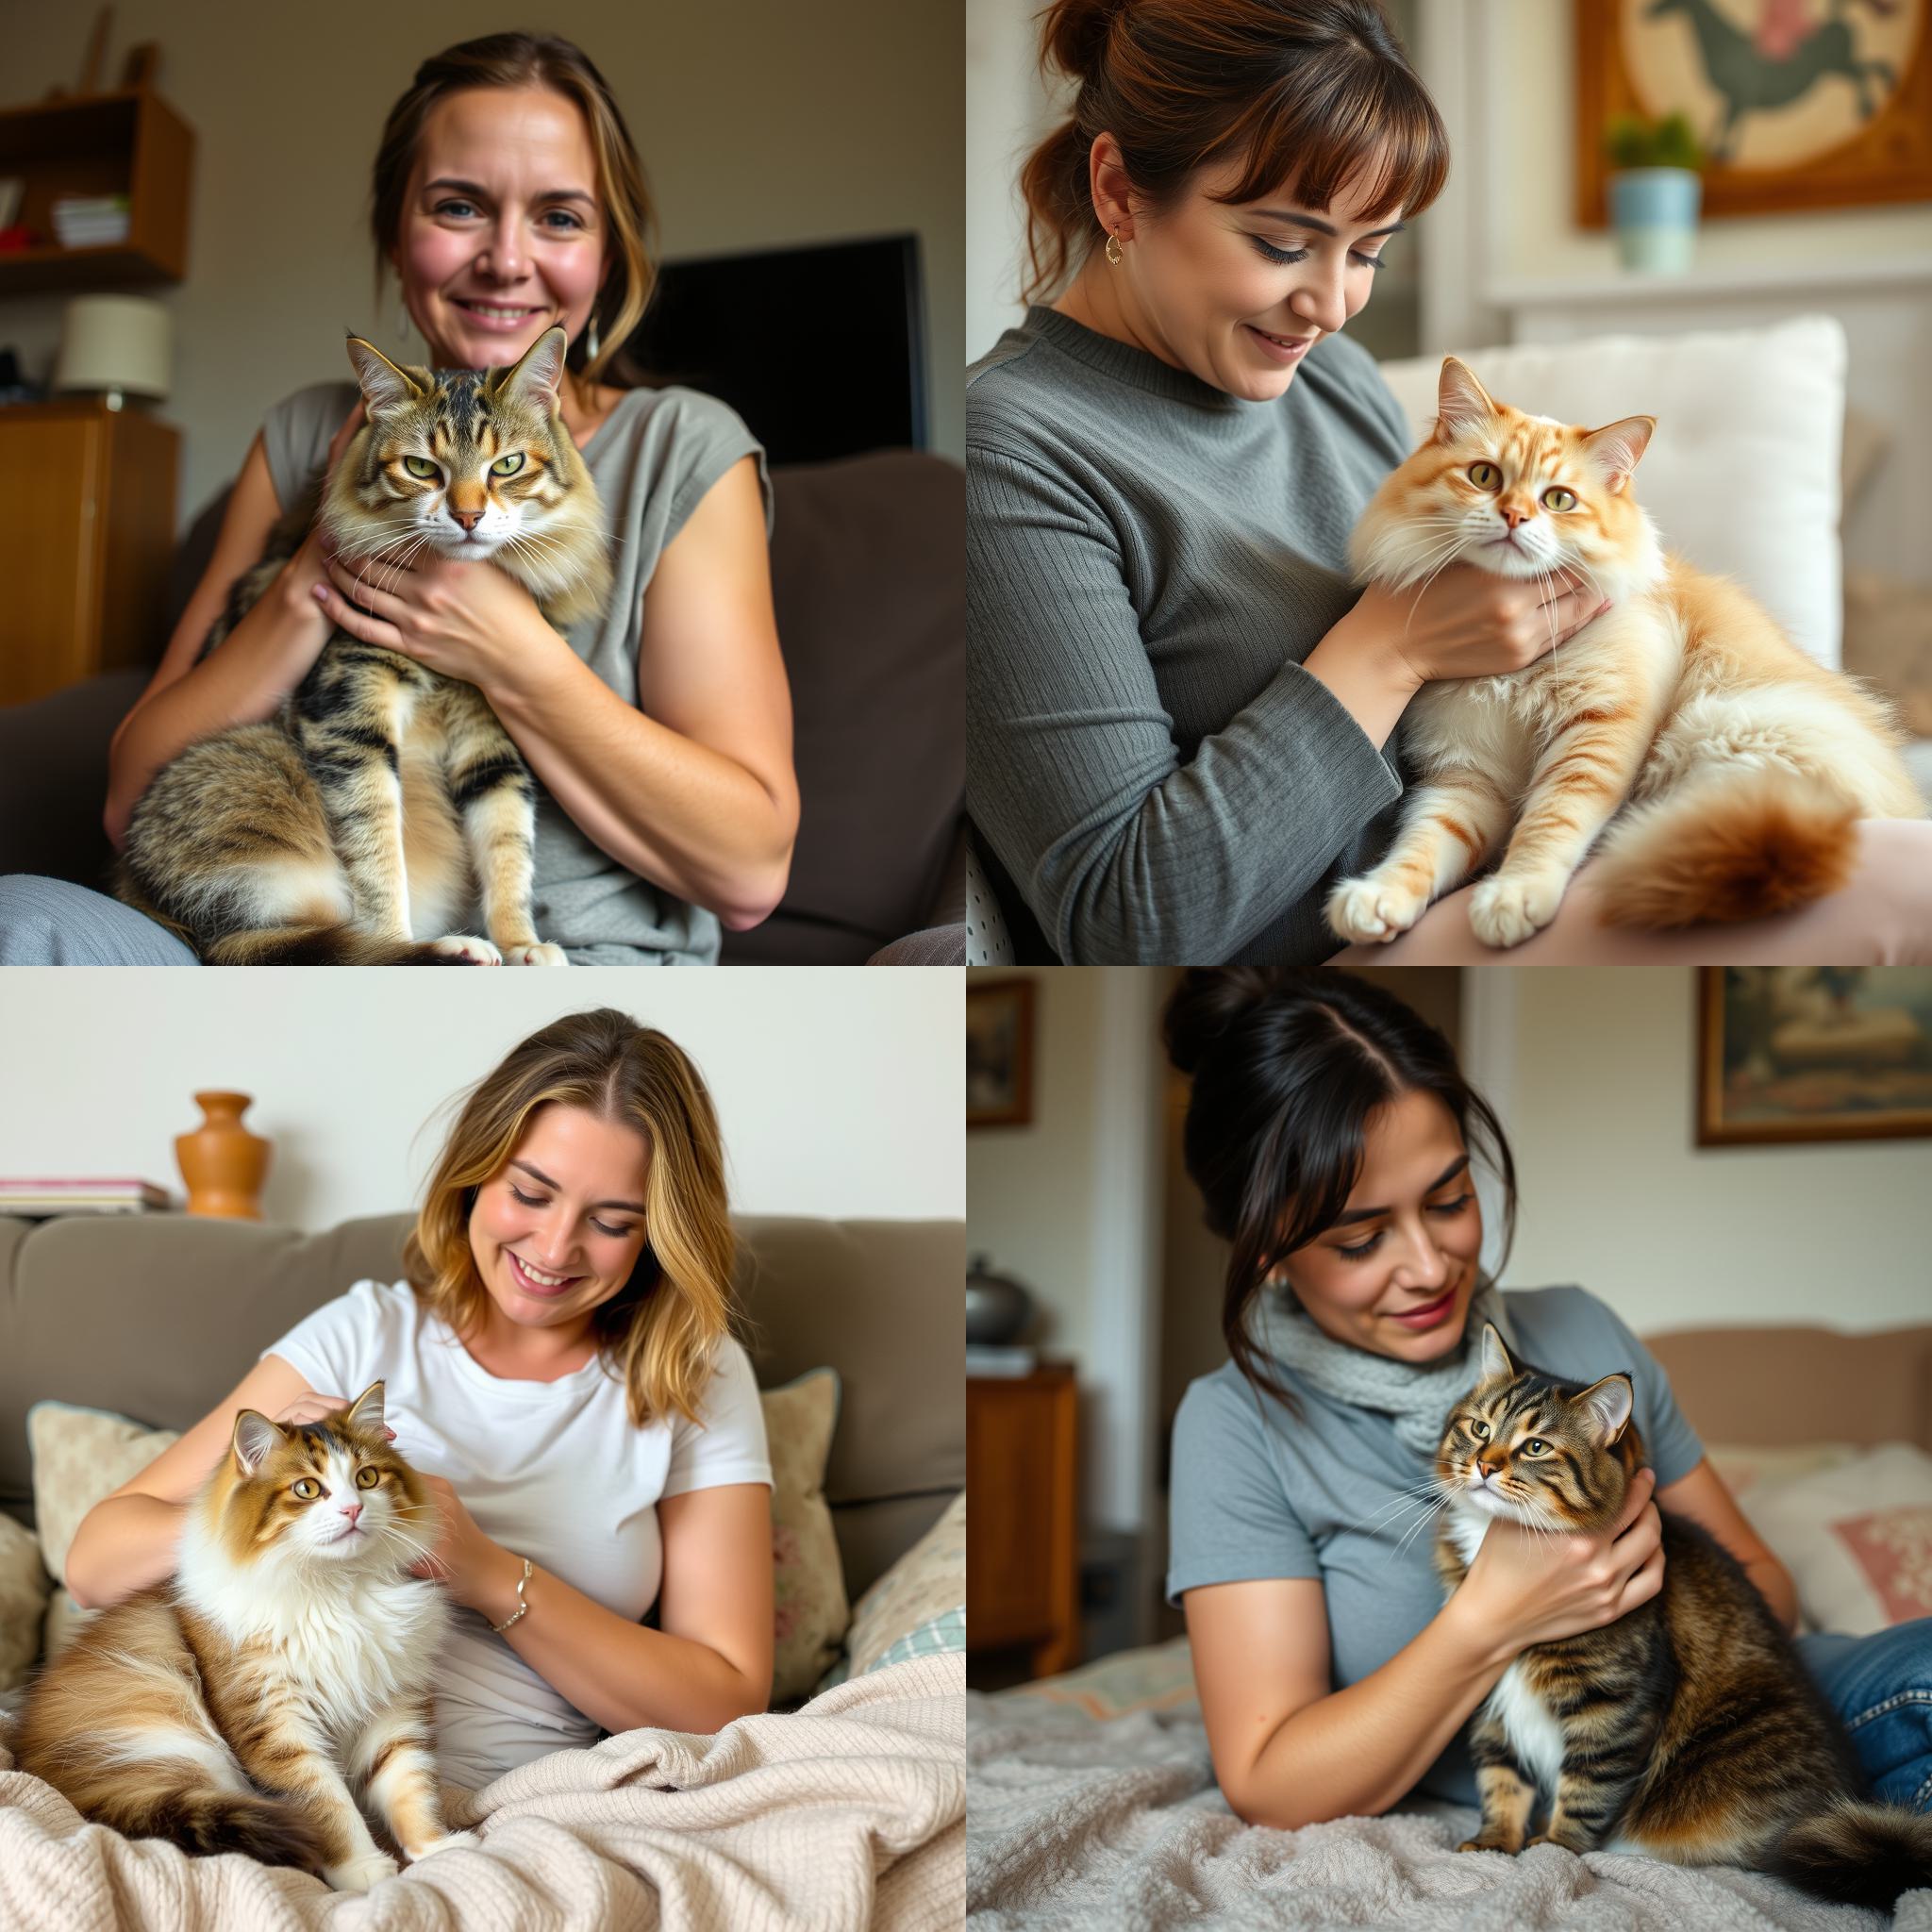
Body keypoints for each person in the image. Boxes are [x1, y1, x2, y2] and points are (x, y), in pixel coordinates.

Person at [966, 0, 1932, 966]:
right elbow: (1127, 923)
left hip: (1514, 853)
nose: (1332, 304)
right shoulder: (1009, 453)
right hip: (1338, 952)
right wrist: (1389, 646)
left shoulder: (1327, 379)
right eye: (1280, 243)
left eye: (1370, 251)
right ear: (1118, 194)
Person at [2, 31, 797, 965]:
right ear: (394, 231)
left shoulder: (682, 445)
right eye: (459, 207)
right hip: (289, 919)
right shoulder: (309, 432)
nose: (506, 260)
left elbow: (748, 872)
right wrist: (313, 576)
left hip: (569, 964)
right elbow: (132, 797)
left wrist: (508, 652)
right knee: (22, 918)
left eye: (559, 217)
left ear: (609, 253)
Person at [1163, 967, 1931, 1827]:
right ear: (1264, 1249)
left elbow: (1764, 1587)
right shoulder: (1235, 1425)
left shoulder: (1579, 1334)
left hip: (1735, 1729)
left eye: (1450, 1199)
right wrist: (1493, 1616)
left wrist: (1634, 1602)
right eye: (1362, 1239)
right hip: (1541, 1792)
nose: (1428, 1266)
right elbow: (1269, 1781)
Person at [63, 1007, 774, 1791]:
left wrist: (481, 1568)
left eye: (610, 1222)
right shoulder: (364, 1334)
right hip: (275, 1770)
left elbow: (725, 1700)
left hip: (522, 1795)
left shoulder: (693, 1373)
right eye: (530, 1194)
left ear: (659, 1235)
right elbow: (96, 1563)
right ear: (476, 1174)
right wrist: (271, 1505)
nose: (554, 1249)